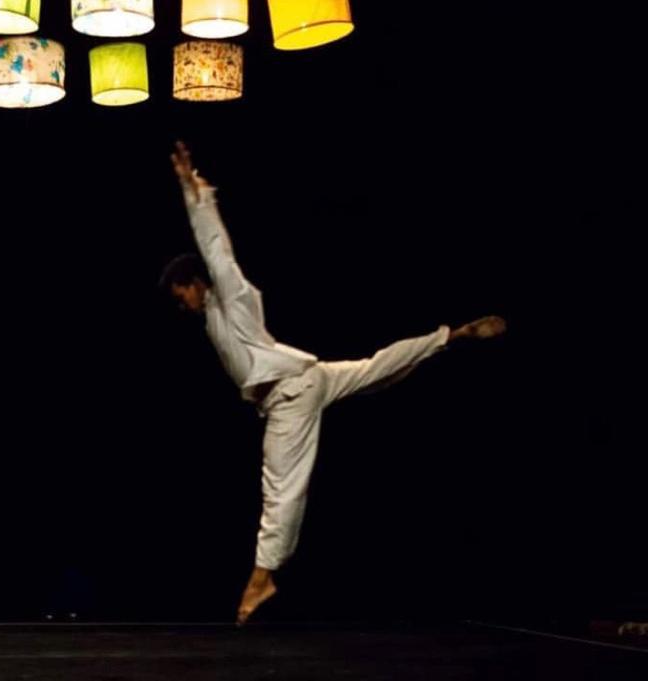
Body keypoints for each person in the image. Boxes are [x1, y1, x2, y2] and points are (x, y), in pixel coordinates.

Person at [162, 141, 507, 625]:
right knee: (375, 370)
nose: (180, 304)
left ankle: (262, 577)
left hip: (289, 396)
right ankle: (447, 337)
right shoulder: (213, 317)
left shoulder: (230, 297)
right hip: (308, 378)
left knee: (281, 485)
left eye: (179, 294)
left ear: (194, 283)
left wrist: (192, 191)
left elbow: (215, 247)